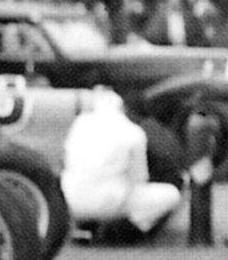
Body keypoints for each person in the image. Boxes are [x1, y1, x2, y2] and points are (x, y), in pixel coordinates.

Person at [61, 89, 183, 243]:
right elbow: (139, 177)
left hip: (69, 198)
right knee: (171, 195)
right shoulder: (134, 132)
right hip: (110, 201)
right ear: (122, 108)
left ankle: (85, 228)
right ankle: (121, 232)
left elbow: (65, 160)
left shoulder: (79, 123)